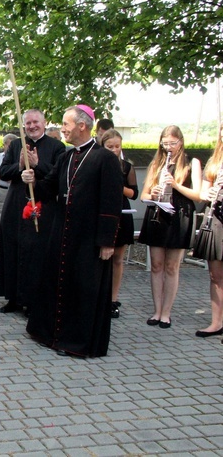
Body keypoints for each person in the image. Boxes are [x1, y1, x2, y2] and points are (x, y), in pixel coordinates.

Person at [22, 104, 123, 358]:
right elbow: (48, 188)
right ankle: (53, 335)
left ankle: (77, 342)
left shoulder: (105, 159)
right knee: (58, 284)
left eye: (66, 124)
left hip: (89, 236)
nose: (62, 128)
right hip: (63, 231)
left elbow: (112, 203)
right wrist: (32, 181)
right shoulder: (66, 157)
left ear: (82, 125)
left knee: (83, 289)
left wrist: (107, 241)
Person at [0, 109, 66, 314]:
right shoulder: (17, 144)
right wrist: (19, 166)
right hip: (17, 202)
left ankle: (34, 300)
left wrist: (37, 165)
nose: (32, 126)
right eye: (28, 123)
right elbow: (2, 172)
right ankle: (14, 298)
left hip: (43, 204)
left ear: (43, 123)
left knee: (37, 252)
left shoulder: (57, 147)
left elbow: (59, 176)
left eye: (35, 122)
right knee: (13, 247)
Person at [138, 125, 201, 329]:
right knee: (156, 264)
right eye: (165, 144)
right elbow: (144, 196)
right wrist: (154, 193)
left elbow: (198, 195)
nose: (168, 148)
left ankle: (167, 312)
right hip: (158, 214)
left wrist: (175, 185)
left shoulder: (192, 163)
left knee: (172, 266)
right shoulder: (157, 163)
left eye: (172, 143)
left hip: (179, 216)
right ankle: (156, 311)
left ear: (181, 142)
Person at [100, 130, 137, 319]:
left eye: (117, 146)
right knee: (100, 258)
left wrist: (119, 186)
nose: (114, 150)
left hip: (122, 214)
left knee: (118, 259)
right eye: (110, 147)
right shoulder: (98, 164)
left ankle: (113, 299)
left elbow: (134, 193)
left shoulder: (126, 167)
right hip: (102, 214)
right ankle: (99, 298)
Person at [192, 123, 223, 338]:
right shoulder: (215, 162)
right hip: (216, 221)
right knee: (215, 275)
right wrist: (210, 192)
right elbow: (202, 194)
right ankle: (216, 322)